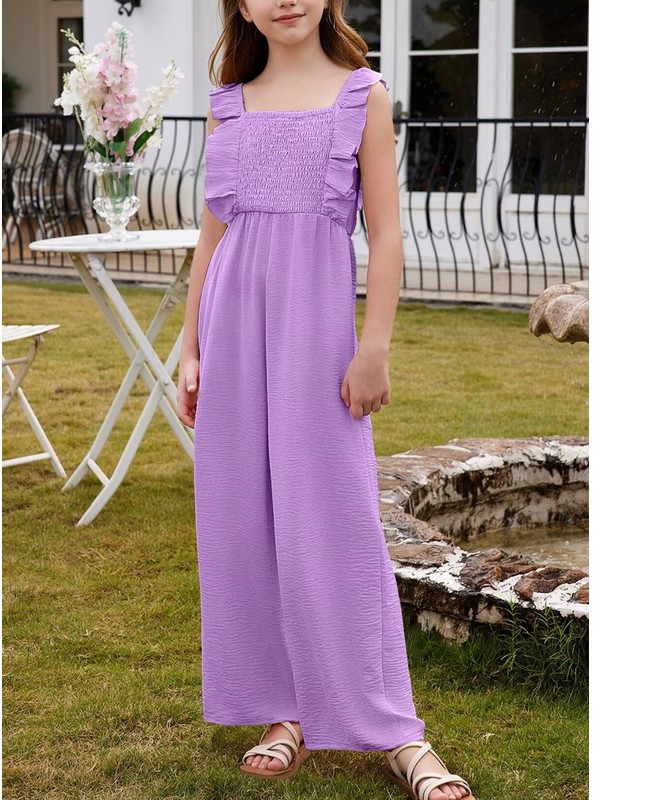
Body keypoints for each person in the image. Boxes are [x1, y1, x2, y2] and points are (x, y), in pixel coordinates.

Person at [177, 2, 475, 799]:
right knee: (245, 522)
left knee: (337, 522)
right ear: (241, 6)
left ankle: (396, 729)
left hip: (316, 338)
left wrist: (373, 346)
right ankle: (284, 712)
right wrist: (190, 346)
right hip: (232, 333)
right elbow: (214, 234)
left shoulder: (361, 96)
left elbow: (386, 233)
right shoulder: (228, 102)